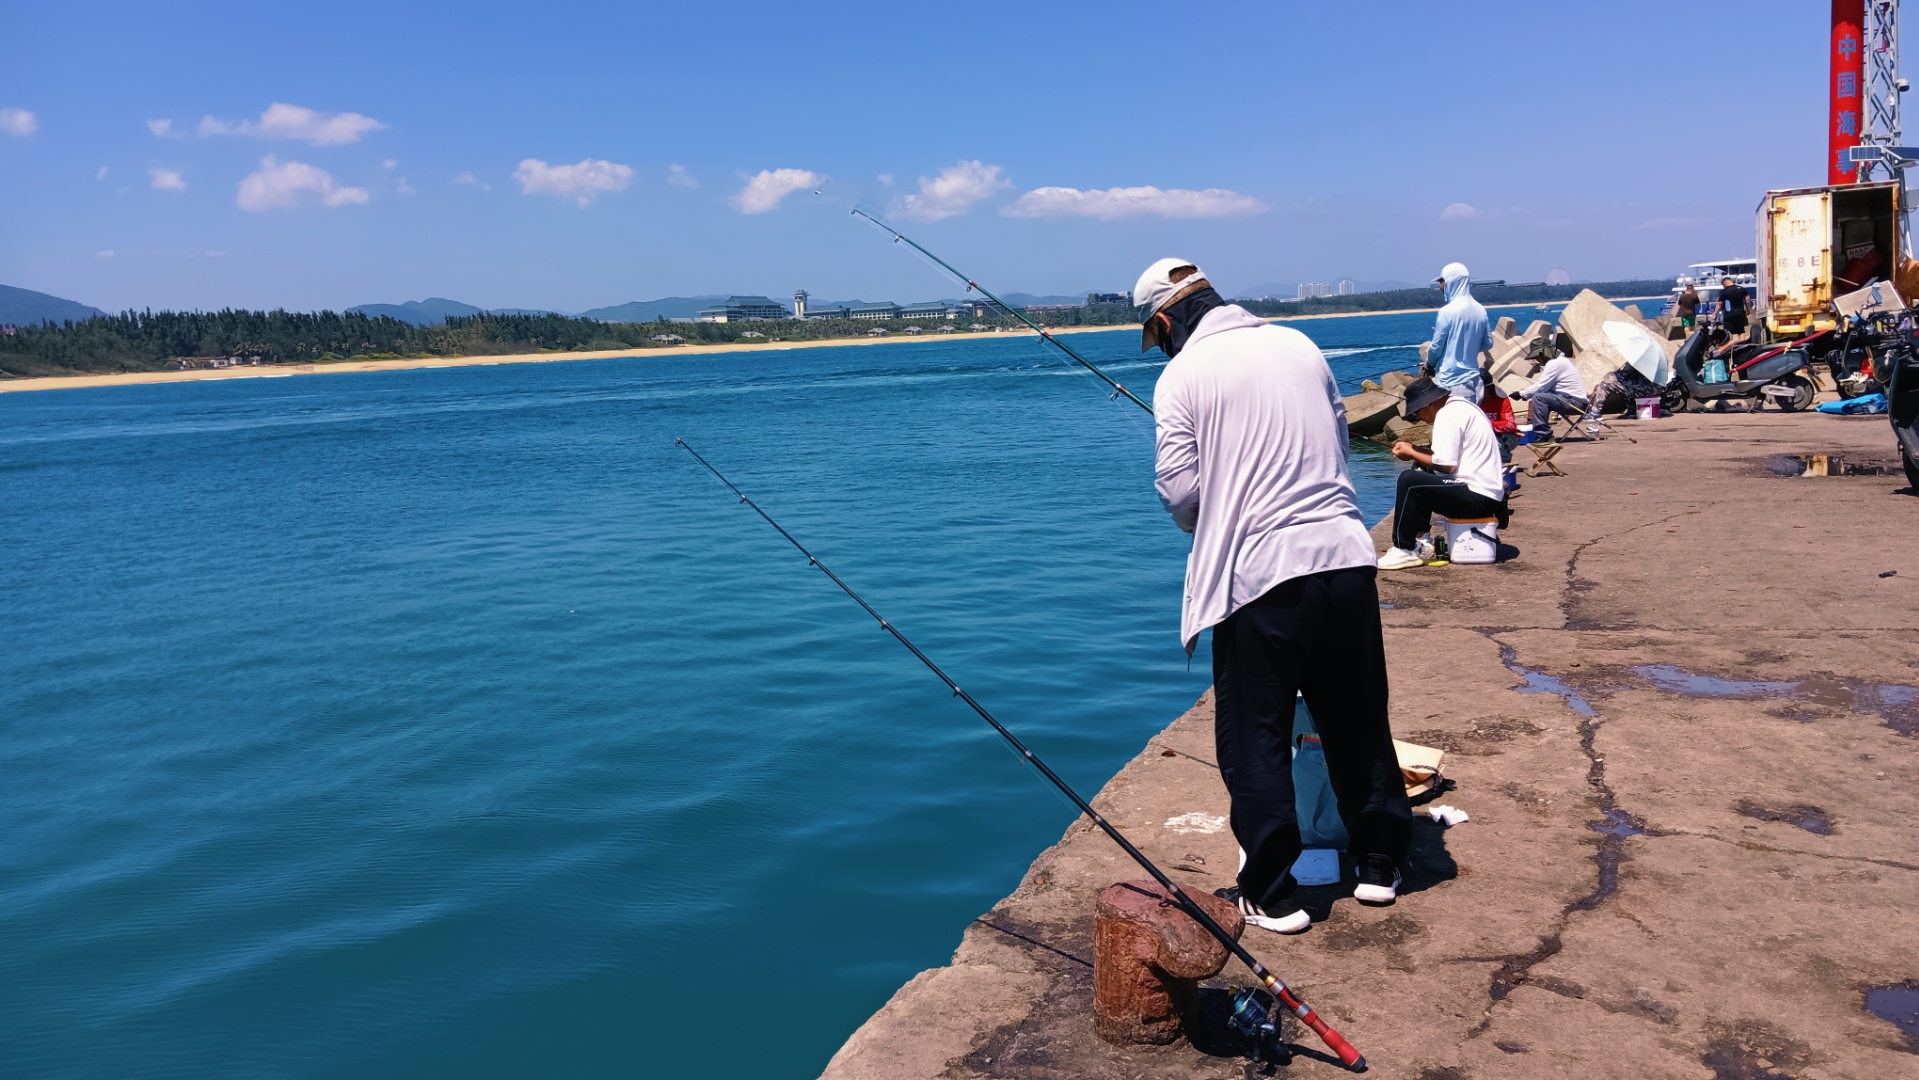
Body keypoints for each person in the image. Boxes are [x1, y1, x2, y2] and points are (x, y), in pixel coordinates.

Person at [1141, 257, 1413, 934]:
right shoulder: (1300, 345)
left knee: (1254, 735)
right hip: (1345, 559)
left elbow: (1180, 495)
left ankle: (1271, 891)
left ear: (1165, 322)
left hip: (1260, 577)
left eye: (1157, 337)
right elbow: (1336, 443)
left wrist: (1216, 502)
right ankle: (1379, 863)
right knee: (1357, 719)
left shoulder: (1181, 375)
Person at [1378, 376, 1508, 571]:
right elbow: (1445, 458)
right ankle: (1421, 540)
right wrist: (1414, 449)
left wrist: (1411, 452)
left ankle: (1404, 548)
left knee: (1409, 480)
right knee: (1421, 467)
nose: (1418, 417)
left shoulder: (1448, 414)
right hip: (1487, 495)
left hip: (1478, 498)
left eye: (1417, 411)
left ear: (1429, 404)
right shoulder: (1460, 406)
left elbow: (1447, 466)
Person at [1425, 262, 1492, 401]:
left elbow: (1436, 348)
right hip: (1475, 383)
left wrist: (1429, 364)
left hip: (1450, 384)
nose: (1441, 286)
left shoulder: (1446, 311)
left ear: (1450, 281)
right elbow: (1488, 343)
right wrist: (1468, 349)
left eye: (1442, 281)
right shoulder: (1480, 309)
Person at [1512, 342, 1591, 438]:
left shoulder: (1555, 363)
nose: (1536, 360)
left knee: (1539, 398)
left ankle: (1543, 435)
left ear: (1543, 353)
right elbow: (1544, 387)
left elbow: (1540, 387)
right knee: (1540, 397)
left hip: (1576, 404)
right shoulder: (1559, 361)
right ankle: (1537, 430)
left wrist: (1521, 394)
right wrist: (1525, 394)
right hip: (1574, 401)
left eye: (1536, 356)